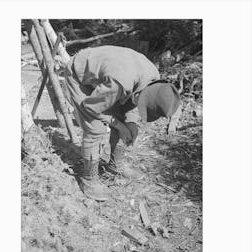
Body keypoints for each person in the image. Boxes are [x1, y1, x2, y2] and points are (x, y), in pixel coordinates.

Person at [64, 45, 181, 201]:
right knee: (95, 128)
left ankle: (115, 164)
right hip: (79, 75)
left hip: (111, 79)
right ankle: (89, 179)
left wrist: (131, 123)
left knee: (124, 120)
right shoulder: (120, 82)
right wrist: (118, 125)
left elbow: (132, 101)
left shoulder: (153, 78)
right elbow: (91, 107)